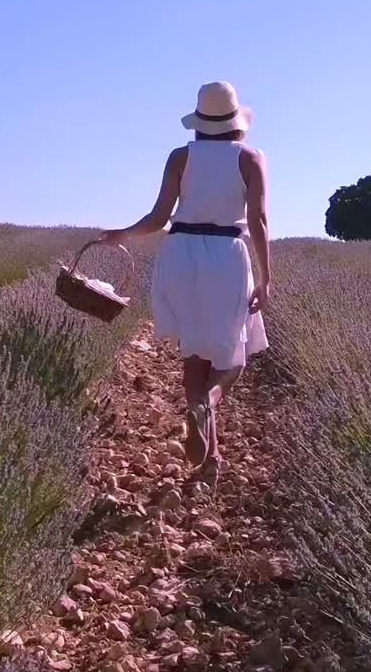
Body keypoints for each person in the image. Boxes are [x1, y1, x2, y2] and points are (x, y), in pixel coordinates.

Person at [100, 81, 269, 488]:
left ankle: (208, 446)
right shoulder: (250, 157)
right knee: (233, 359)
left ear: (199, 122)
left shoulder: (180, 156)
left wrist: (121, 235)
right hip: (226, 254)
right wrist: (266, 278)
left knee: (193, 353)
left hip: (180, 252)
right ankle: (209, 403)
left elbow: (160, 216)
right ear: (235, 122)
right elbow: (259, 220)